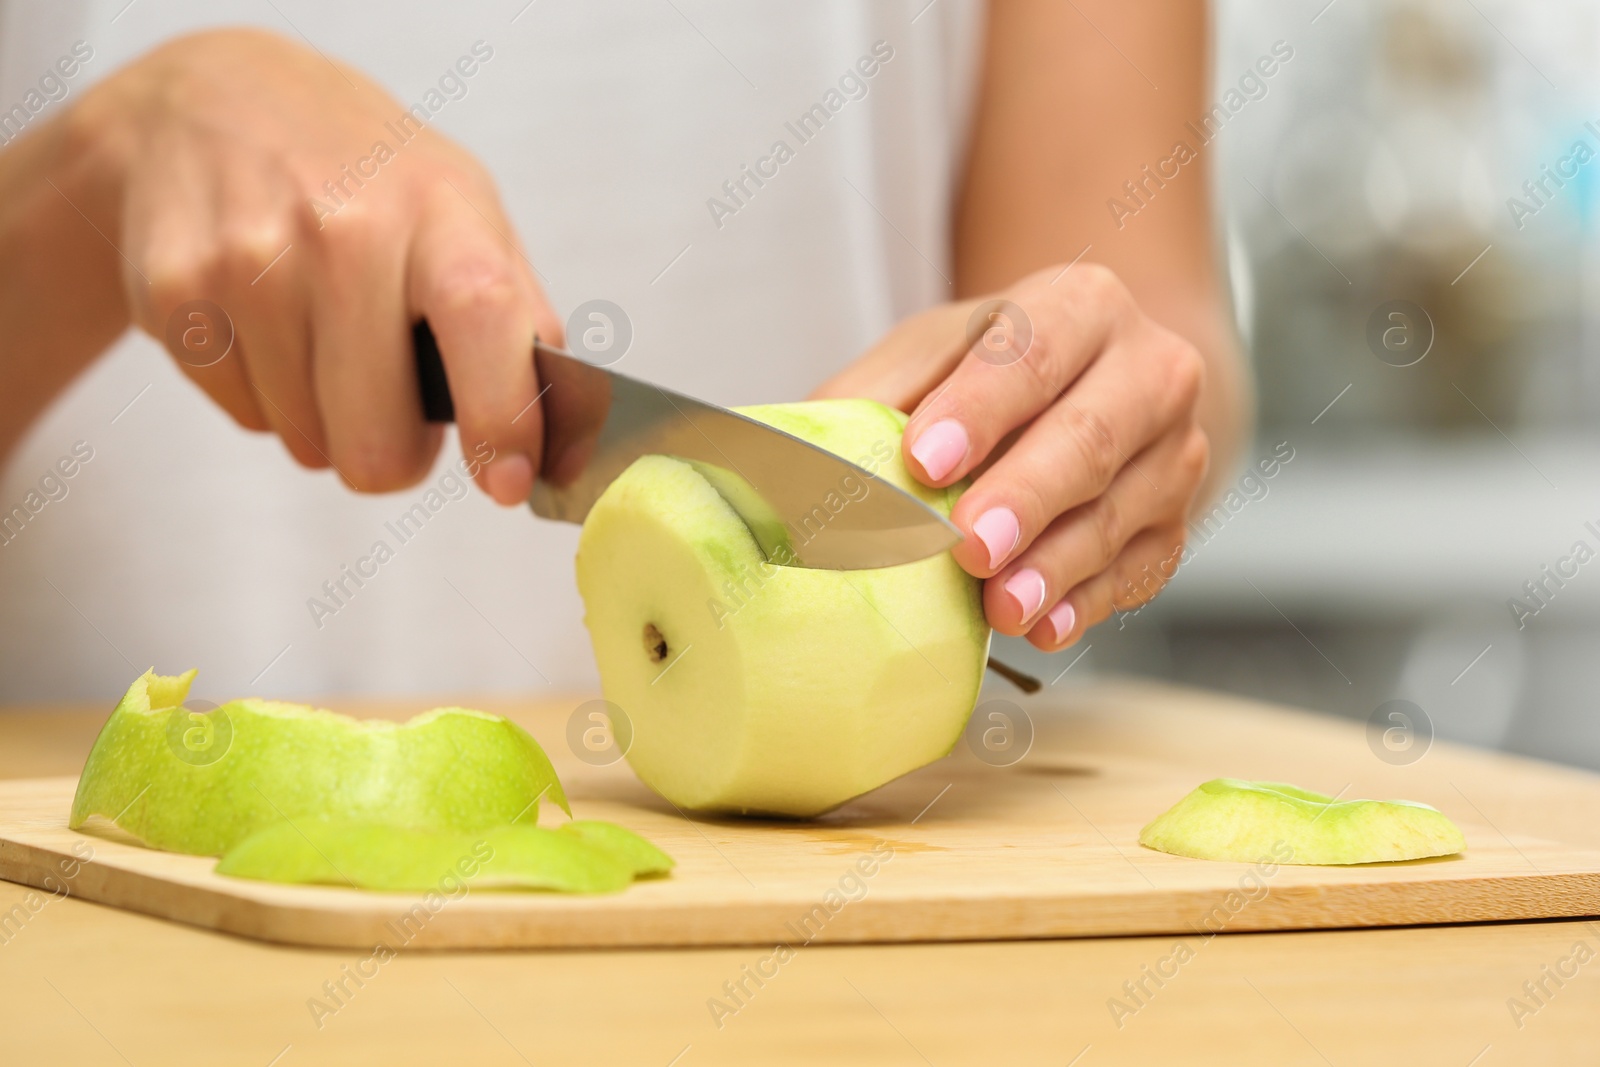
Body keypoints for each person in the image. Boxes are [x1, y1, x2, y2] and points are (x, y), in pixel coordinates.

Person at [0, 1, 1245, 700]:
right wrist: (86, 176)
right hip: (96, 889)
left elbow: (1148, 308)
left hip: (840, 906)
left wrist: (1087, 411)